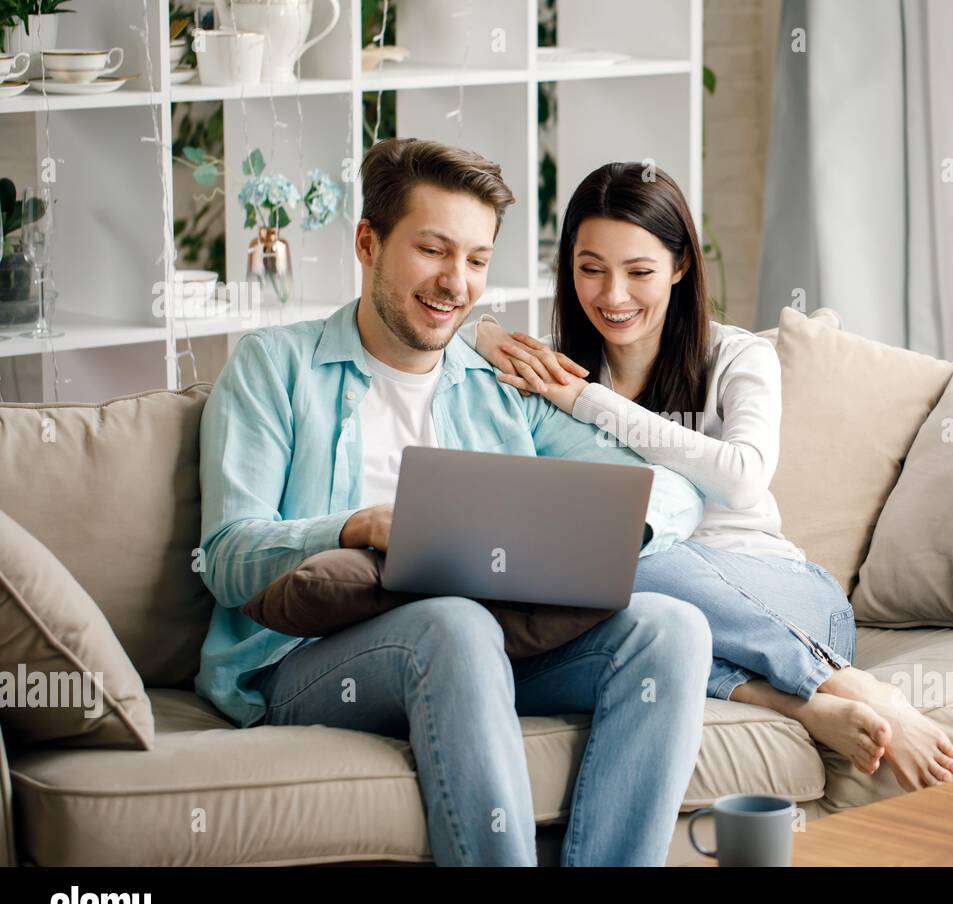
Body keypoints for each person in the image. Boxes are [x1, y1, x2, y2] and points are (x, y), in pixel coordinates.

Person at [195, 139, 714, 866]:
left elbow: (676, 494)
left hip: (486, 647)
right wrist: (354, 526)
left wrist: (601, 530)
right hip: (304, 662)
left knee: (672, 628)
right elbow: (224, 558)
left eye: (476, 260)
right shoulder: (274, 367)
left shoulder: (500, 384)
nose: (455, 283)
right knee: (454, 623)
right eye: (433, 250)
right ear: (368, 243)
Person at [471, 162, 953, 791]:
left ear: (680, 266)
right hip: (654, 615)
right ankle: (804, 706)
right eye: (591, 269)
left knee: (621, 557)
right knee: (619, 605)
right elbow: (458, 338)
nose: (613, 296)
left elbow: (742, 477)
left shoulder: (735, 356)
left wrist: (588, 401)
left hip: (786, 608)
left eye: (639, 272)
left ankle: (850, 685)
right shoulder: (549, 365)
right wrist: (485, 332)